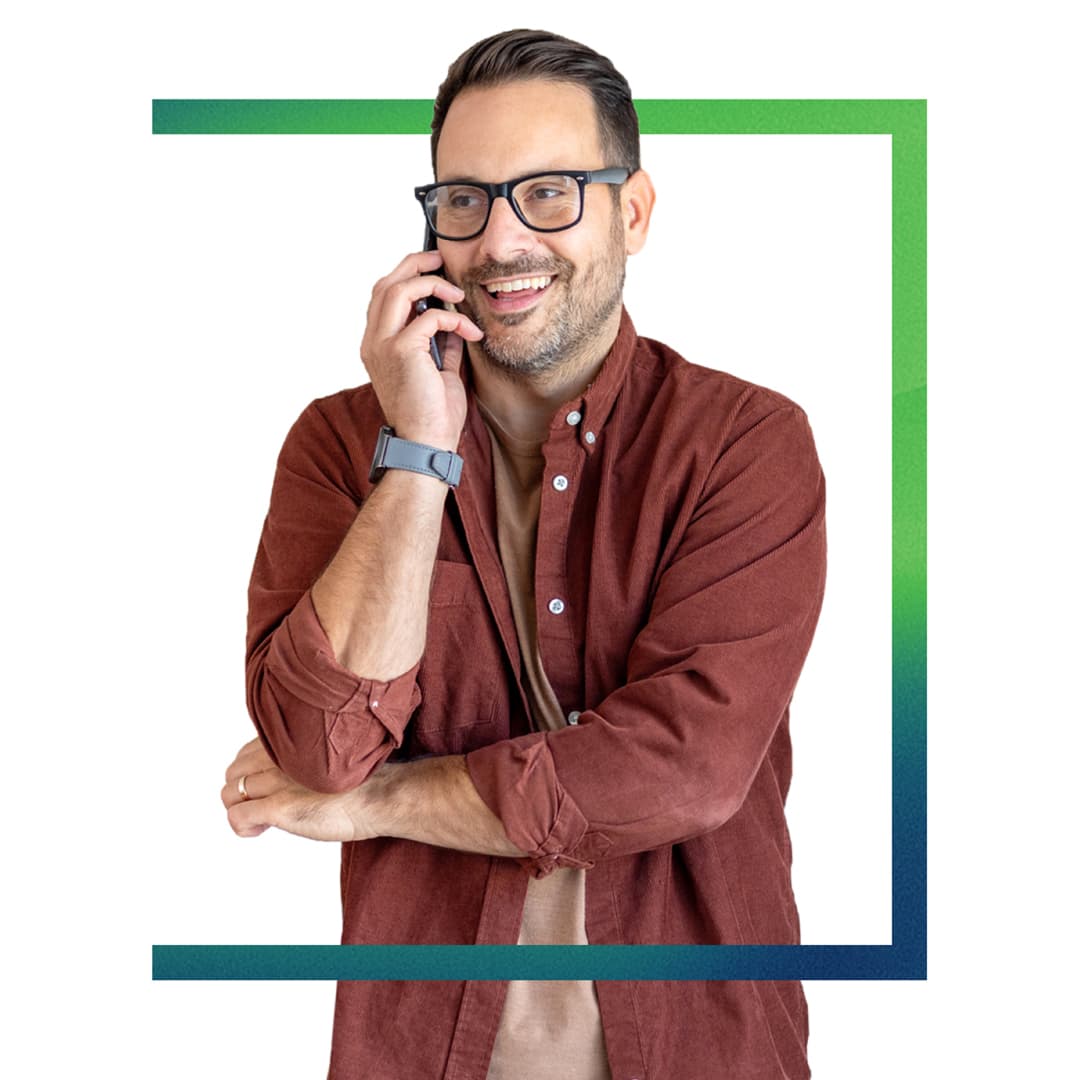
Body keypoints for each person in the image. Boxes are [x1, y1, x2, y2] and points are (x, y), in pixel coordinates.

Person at [220, 28, 826, 1080]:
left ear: (631, 211)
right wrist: (415, 455)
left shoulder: (743, 443)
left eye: (550, 193)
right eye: (466, 199)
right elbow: (317, 746)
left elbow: (683, 768)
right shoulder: (338, 448)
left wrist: (378, 804)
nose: (501, 241)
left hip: (700, 1054)